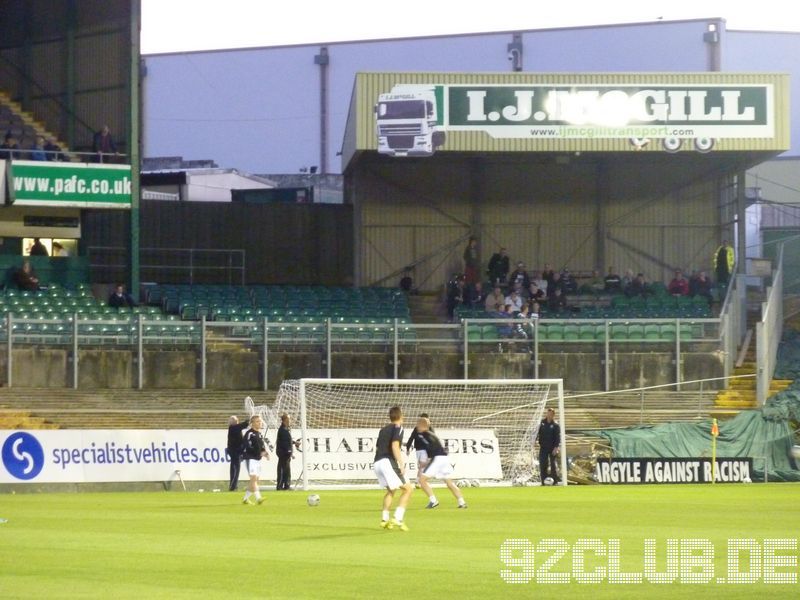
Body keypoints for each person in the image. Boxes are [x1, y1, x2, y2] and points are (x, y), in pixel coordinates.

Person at [374, 406, 414, 531]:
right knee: (408, 489)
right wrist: (401, 464)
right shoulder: (398, 428)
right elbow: (395, 446)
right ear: (401, 416)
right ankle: (398, 518)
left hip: (377, 462)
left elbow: (378, 447)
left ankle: (385, 520)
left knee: (391, 491)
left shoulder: (383, 429)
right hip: (387, 462)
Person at [415, 417, 467, 509]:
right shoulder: (432, 434)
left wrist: (426, 461)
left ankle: (433, 501)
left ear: (422, 426)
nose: (417, 427)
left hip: (437, 458)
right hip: (445, 458)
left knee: (422, 480)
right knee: (449, 482)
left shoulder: (422, 435)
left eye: (418, 425)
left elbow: (430, 448)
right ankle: (462, 502)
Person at [241, 415, 270, 505]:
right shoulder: (249, 433)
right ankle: (258, 498)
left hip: (257, 460)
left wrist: (265, 453)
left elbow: (261, 447)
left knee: (255, 480)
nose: (259, 423)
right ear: (252, 423)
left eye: (260, 421)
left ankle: (245, 499)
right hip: (250, 458)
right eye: (257, 421)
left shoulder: (260, 434)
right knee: (253, 479)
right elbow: (247, 446)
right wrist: (258, 453)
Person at [536, 408, 561, 484]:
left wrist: (556, 448)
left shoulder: (555, 425)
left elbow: (557, 437)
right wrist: (534, 441)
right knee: (543, 464)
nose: (549, 415)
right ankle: (543, 482)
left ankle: (555, 481)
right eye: (548, 413)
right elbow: (537, 433)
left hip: (552, 447)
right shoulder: (542, 423)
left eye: (551, 414)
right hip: (543, 447)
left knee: (553, 464)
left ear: (553, 415)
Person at [275, 413, 299, 491]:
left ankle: (286, 486)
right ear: (285, 420)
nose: (290, 421)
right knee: (282, 470)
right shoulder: (282, 430)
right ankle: (280, 486)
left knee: (287, 470)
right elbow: (284, 443)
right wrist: (289, 452)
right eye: (289, 419)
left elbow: (288, 440)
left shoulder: (286, 429)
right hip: (283, 453)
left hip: (286, 453)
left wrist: (294, 442)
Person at [226, 416, 250, 492]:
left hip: (235, 451)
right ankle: (233, 486)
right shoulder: (233, 428)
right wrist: (248, 421)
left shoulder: (235, 428)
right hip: (235, 452)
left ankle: (233, 485)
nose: (236, 422)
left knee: (233, 468)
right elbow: (243, 425)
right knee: (236, 469)